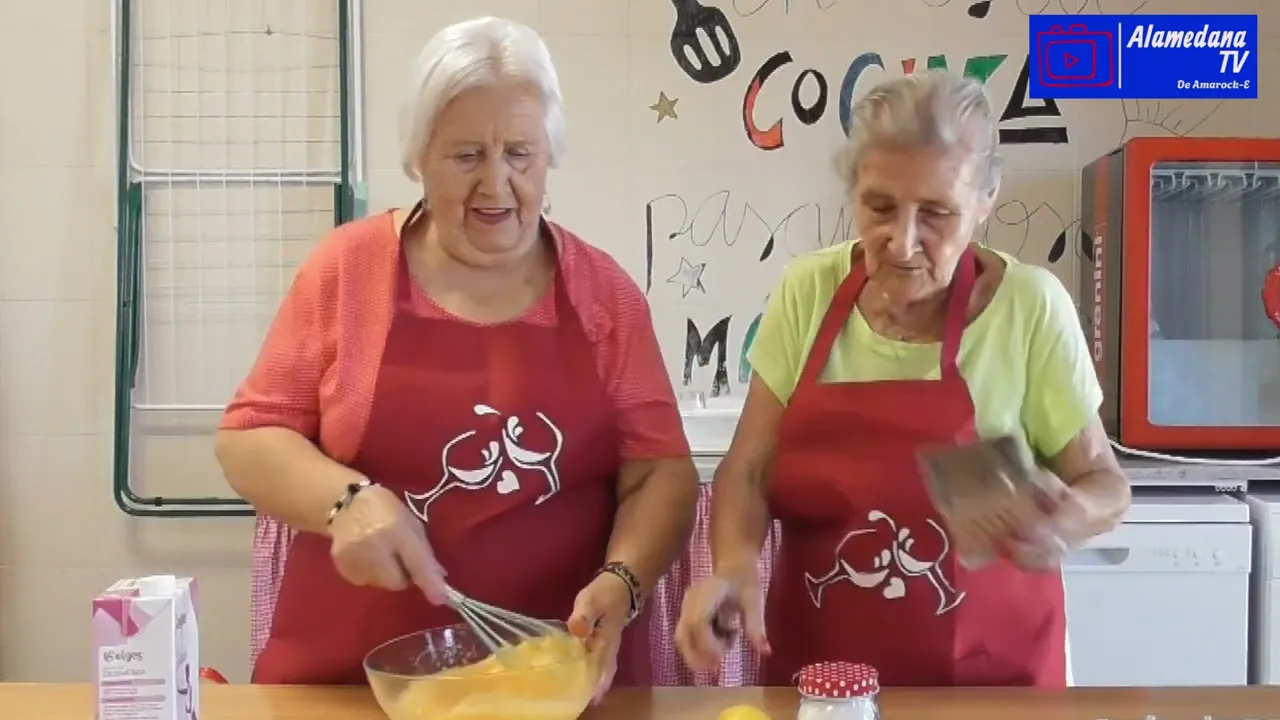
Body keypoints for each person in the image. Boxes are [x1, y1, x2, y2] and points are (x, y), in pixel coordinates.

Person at [214, 16, 699, 690]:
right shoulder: (348, 272)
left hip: (553, 684)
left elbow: (661, 474)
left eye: (520, 154)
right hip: (352, 685)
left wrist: (623, 579)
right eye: (467, 156)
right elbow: (248, 437)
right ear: (420, 157)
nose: (496, 185)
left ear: (549, 154)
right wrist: (345, 499)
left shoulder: (604, 297)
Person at [673, 72, 1131, 688]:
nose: (902, 241)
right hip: (827, 682)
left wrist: (1066, 516)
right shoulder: (808, 291)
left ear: (986, 200)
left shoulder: (1029, 307)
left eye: (937, 213)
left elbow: (1105, 482)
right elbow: (748, 470)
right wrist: (732, 565)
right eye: (880, 207)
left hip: (995, 684)